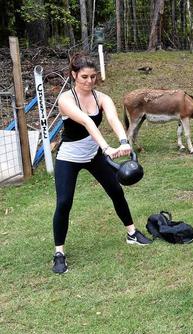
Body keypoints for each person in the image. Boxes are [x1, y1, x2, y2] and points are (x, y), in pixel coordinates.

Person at [51, 53, 152, 274]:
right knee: (64, 203)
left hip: (93, 155)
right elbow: (87, 122)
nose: (89, 81)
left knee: (116, 191)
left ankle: (132, 233)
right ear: (74, 75)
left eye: (93, 77)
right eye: (84, 77)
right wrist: (107, 148)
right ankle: (59, 253)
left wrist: (124, 141)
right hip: (69, 157)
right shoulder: (66, 100)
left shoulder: (102, 98)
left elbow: (114, 119)